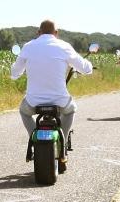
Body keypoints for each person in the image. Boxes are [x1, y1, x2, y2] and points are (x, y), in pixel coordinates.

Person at [10, 19, 94, 169]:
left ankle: (34, 139)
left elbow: (15, 73)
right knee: (70, 110)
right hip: (59, 101)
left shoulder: (28, 47)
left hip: (33, 102)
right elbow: (85, 68)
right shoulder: (64, 46)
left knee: (24, 111)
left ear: (38, 32)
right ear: (56, 33)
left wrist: (16, 71)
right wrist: (88, 67)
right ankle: (62, 144)